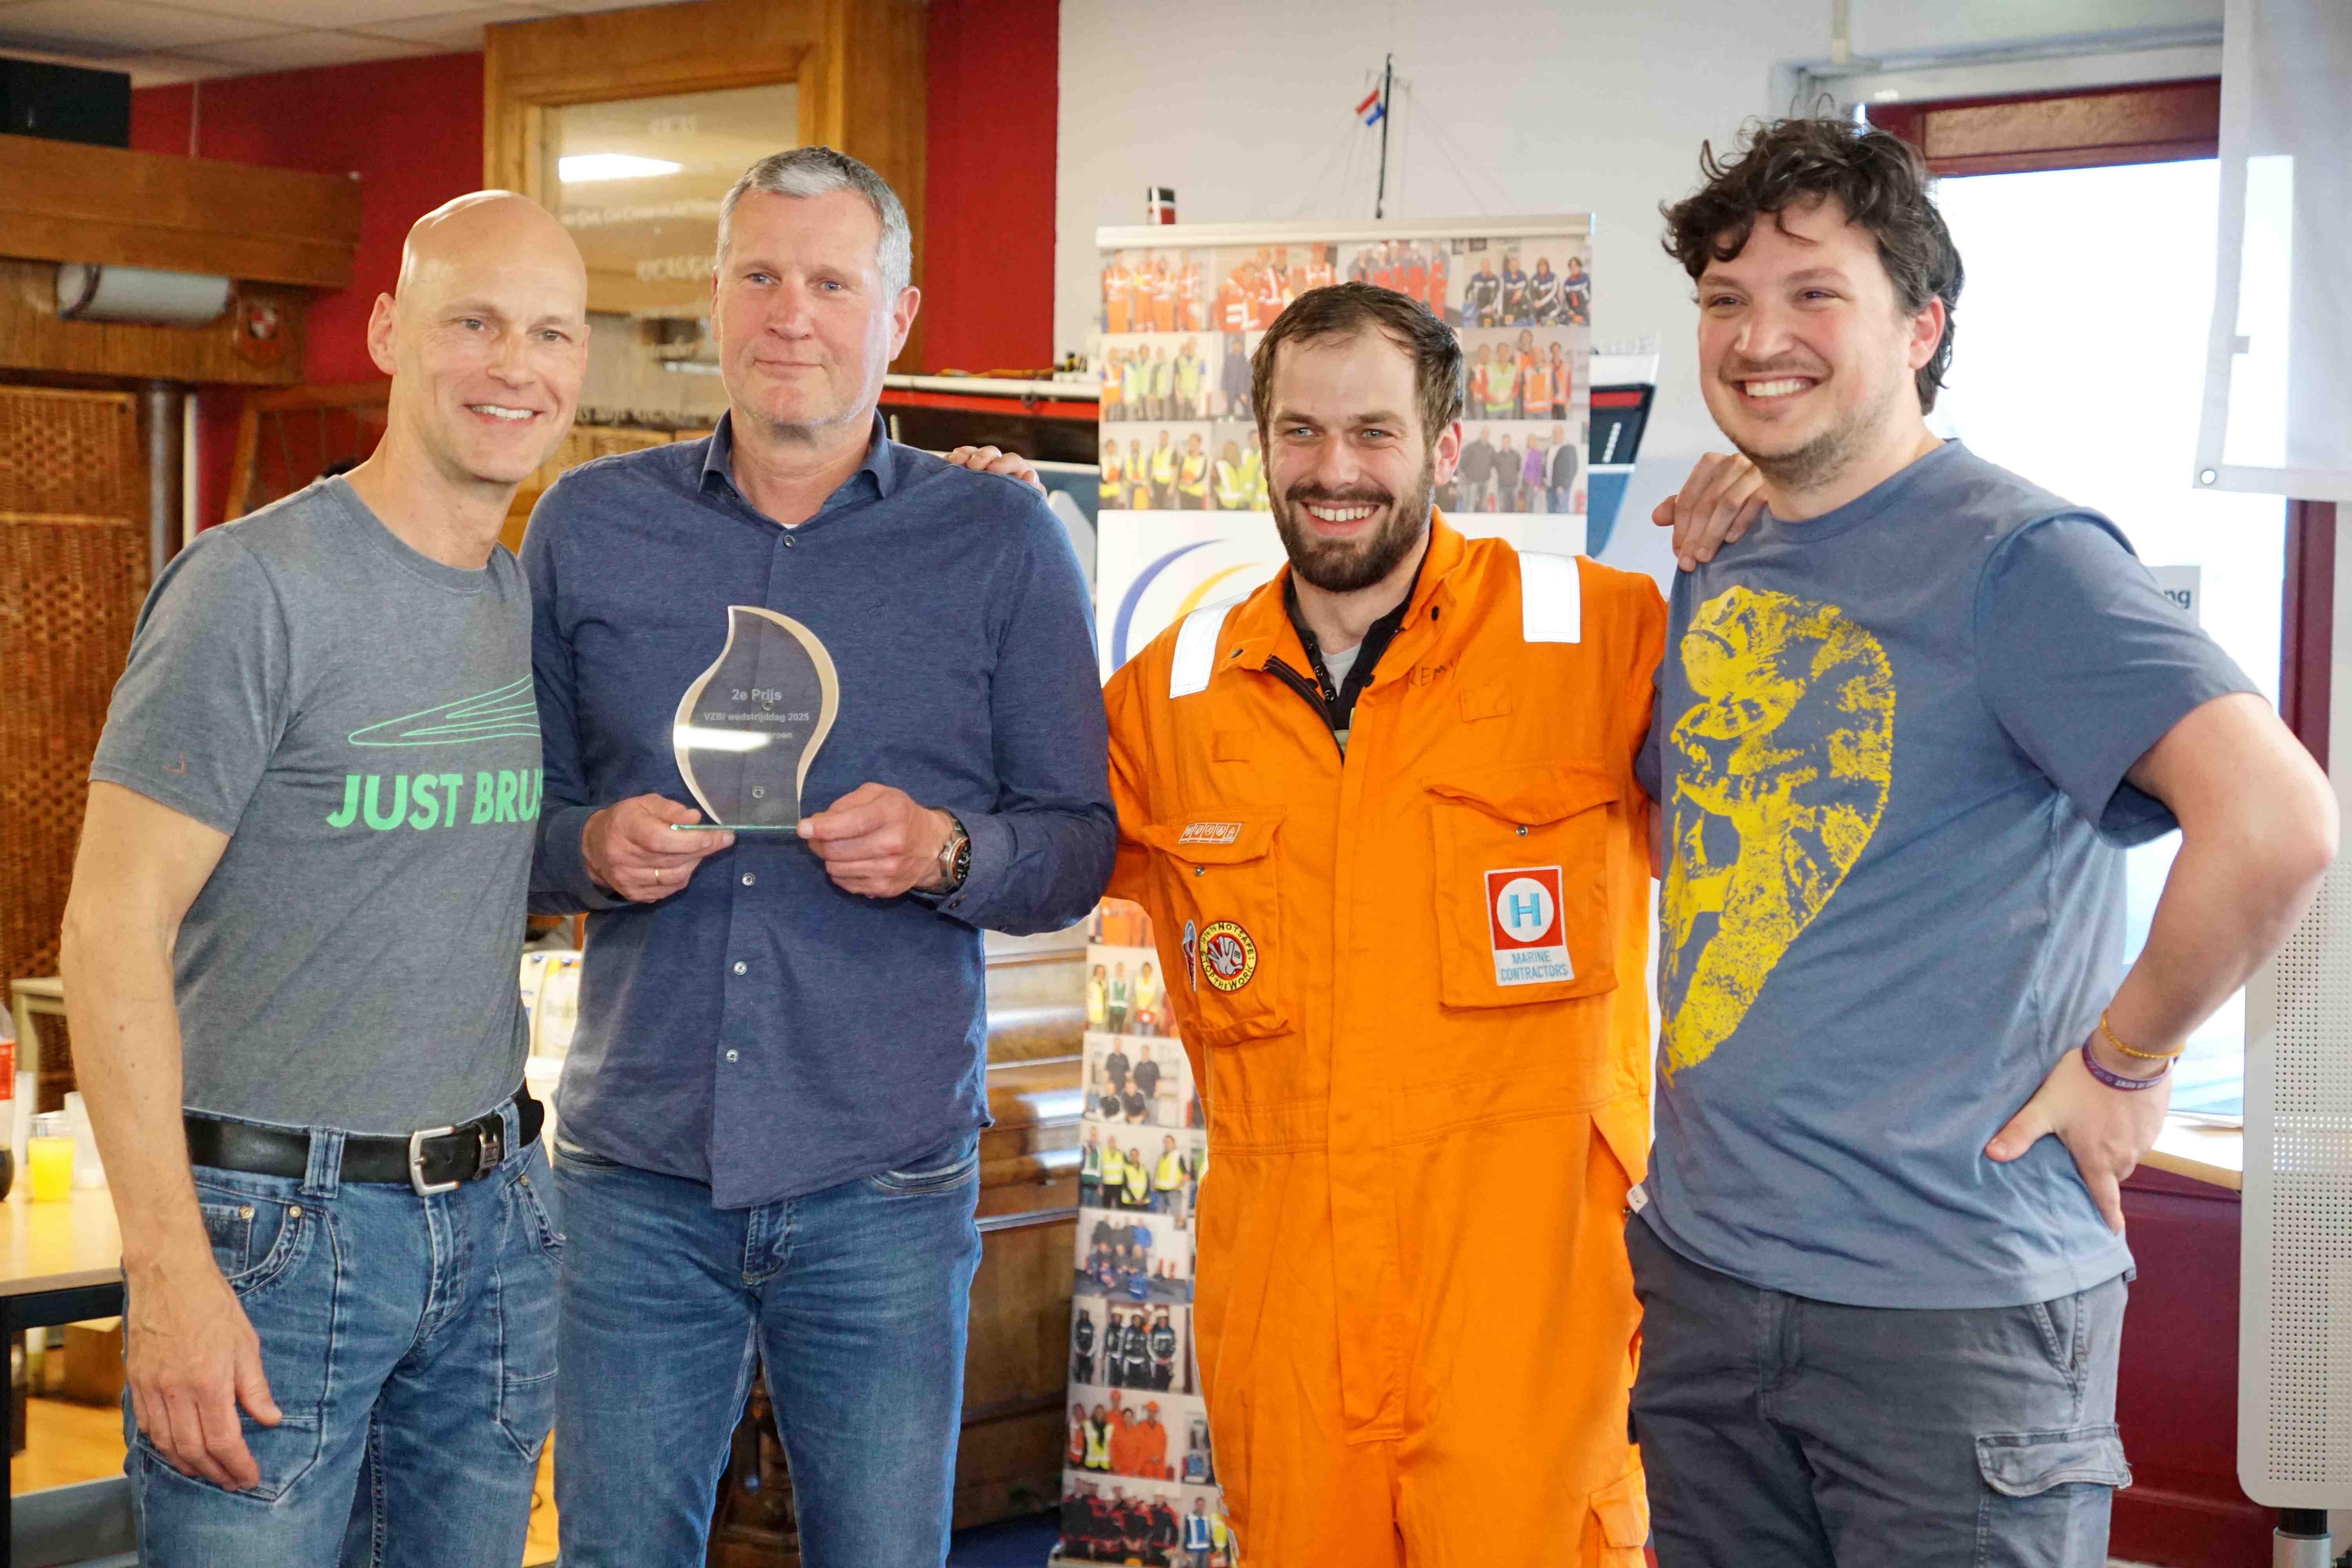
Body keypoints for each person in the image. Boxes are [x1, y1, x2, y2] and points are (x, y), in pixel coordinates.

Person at [1634, 117, 2337, 1568]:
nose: (1757, 337)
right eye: (1723, 297)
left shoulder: (2021, 558)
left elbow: (2274, 822)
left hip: (1941, 1310)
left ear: (1921, 325)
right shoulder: (1727, 545)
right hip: (1706, 1277)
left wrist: (2124, 1061)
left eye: (1813, 293)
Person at [524, 147, 1113, 1568]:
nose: (793, 313)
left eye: (832, 284)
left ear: (896, 316)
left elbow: (1078, 842)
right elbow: (507, 825)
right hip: (635, 1175)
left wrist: (946, 849)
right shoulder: (586, 526)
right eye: (762, 275)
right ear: (716, 298)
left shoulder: (998, 537)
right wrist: (586, 845)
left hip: (883, 1182)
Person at [1099, 281, 1668, 1564]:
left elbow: (1800, 811)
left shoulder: (1603, 641)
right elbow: (1017, 844)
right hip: (1289, 1323)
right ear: (1261, 446)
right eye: (1300, 432)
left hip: (1531, 1320)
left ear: (1445, 445)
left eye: (1373, 432)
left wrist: (1779, 522)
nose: (1334, 470)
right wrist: (983, 543)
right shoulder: (1168, 699)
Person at [61, 192, 585, 1563]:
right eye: (474, 323)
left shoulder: (521, 603)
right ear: (390, 332)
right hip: (272, 1240)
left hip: (495, 1223)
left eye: (549, 333)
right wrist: (168, 1270)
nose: (514, 365)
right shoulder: (252, 587)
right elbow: (110, 930)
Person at [1457, 423, 1496, 510]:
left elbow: (1494, 462)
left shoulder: (1491, 448)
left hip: (1485, 481)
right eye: (1485, 433)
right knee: (1470, 504)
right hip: (1473, 481)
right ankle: (1468, 518)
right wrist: (1467, 474)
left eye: (1488, 433)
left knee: (1483, 505)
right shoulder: (1472, 446)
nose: (1486, 435)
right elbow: (1462, 460)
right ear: (1481, 434)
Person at [1549, 422, 1579, 515]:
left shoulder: (1570, 448)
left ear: (1563, 434)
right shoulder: (1552, 448)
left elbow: (1573, 469)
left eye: (1558, 433)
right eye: (1554, 433)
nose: (1556, 435)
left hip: (1562, 487)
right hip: (1551, 486)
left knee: (1563, 510)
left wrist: (1563, 486)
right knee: (1552, 513)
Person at [1212, 439, 1251, 510]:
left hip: (1241, 506)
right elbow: (1213, 486)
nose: (1231, 452)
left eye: (1234, 450)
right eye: (1228, 450)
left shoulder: (1241, 466)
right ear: (1224, 451)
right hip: (1225, 506)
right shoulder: (1219, 465)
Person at [1463, 254, 1501, 327]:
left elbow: (1498, 294)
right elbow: (1467, 291)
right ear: (1481, 266)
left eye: (1488, 266)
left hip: (1491, 306)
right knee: (1478, 323)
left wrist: (1493, 307)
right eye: (1484, 265)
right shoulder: (1475, 278)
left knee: (1490, 324)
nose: (1486, 267)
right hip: (1478, 306)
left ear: (1490, 267)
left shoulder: (1495, 279)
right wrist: (1469, 301)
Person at [1177, 433, 1211, 510]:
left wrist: (1193, 482)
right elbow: (1180, 472)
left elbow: (1203, 475)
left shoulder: (1204, 459)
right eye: (1190, 442)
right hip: (1184, 491)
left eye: (1194, 442)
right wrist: (1181, 480)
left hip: (1196, 493)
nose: (1191, 444)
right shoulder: (1185, 457)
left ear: (1200, 443)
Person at [1175, 336, 1207, 420]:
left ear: (1196, 345)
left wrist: (1197, 397)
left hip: (1194, 396)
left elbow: (1202, 380)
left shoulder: (1201, 360)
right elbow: (1177, 378)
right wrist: (1178, 394)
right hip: (1182, 395)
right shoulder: (1180, 360)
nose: (1191, 346)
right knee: (1181, 420)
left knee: (1192, 421)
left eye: (1193, 344)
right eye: (1190, 343)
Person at [1152, 1134, 1184, 1216]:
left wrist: (1177, 1187)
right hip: (1160, 1192)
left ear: (1174, 1144)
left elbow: (1186, 1175)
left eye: (1169, 1143)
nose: (1167, 1145)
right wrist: (1154, 1184)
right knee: (1160, 1216)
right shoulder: (1161, 1157)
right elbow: (1157, 1171)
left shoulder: (1178, 1156)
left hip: (1173, 1192)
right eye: (1165, 1143)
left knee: (1175, 1216)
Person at [1149, 1307, 1178, 1391]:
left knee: (1166, 1386)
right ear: (1158, 1320)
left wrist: (1170, 1360)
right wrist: (1157, 1359)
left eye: (1164, 1319)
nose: (1163, 1321)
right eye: (1161, 1319)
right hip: (1156, 1363)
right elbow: (1150, 1347)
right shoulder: (1153, 1332)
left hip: (1168, 1363)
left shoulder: (1171, 1332)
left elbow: (1176, 1348)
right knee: (1156, 1386)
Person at [1133, 959, 1165, 1033]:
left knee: (1149, 1034)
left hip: (1150, 1012)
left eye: (1148, 970)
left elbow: (1157, 997)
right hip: (1139, 1012)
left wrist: (1149, 1006)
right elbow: (1134, 996)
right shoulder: (1138, 981)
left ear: (1151, 971)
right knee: (1137, 1034)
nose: (1146, 972)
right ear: (1142, 970)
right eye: (1145, 970)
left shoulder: (1154, 983)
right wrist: (1135, 1005)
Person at [1499, 250, 1530, 324]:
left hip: (1521, 305)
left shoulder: (1524, 276)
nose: (1514, 267)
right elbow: (1500, 294)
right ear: (1509, 266)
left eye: (1516, 266)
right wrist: (1500, 311)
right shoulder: (1504, 276)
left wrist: (1521, 292)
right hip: (1508, 306)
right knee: (1508, 324)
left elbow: (1528, 291)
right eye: (1513, 265)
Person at [1529, 254, 1561, 324]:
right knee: (1531, 306)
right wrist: (1536, 301)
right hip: (1539, 306)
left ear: (1548, 267)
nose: (1542, 268)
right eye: (1540, 266)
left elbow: (1553, 293)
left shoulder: (1554, 277)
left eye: (1544, 266)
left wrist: (1541, 303)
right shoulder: (1534, 278)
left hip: (1552, 305)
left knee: (1549, 321)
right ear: (1538, 267)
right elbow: (1532, 293)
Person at [1561, 254, 1591, 325]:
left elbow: (1588, 299)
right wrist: (1570, 311)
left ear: (1580, 267)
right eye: (1572, 266)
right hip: (1572, 313)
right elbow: (1566, 300)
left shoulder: (1586, 279)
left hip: (1585, 312)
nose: (1574, 268)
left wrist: (1579, 313)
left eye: (1576, 266)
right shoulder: (1567, 283)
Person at [1074, 1305, 1099, 1385]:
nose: (1084, 1315)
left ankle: (1088, 1383)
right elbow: (1074, 1339)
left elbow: (1095, 1340)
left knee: (1088, 1372)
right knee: (1078, 1371)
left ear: (1088, 1314)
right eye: (1083, 1313)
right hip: (1079, 1353)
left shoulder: (1091, 1326)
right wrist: (1078, 1350)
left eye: (1086, 1313)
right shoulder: (1077, 1325)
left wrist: (1090, 1352)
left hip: (1089, 1354)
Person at [1547, 339, 1572, 419]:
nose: (1556, 352)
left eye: (1557, 350)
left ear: (1560, 351)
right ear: (1551, 351)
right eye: (1554, 350)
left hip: (1562, 401)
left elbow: (1569, 385)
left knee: (1562, 422)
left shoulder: (1566, 366)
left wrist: (1568, 401)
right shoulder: (1547, 366)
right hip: (1550, 401)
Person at [1133, 1041, 1162, 1108]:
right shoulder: (1138, 1066)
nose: (1144, 1054)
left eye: (1146, 1052)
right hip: (1140, 1097)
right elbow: (1134, 1081)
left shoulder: (1154, 1065)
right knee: (1141, 1114)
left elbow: (1158, 1080)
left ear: (1149, 1052)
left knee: (1152, 1114)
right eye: (1143, 1052)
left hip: (1152, 1096)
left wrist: (1157, 1092)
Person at [1108, 962, 1134, 1034]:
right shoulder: (1112, 980)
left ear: (1123, 970)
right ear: (1116, 969)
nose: (1120, 970)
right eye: (1118, 968)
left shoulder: (1127, 981)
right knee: (1111, 1027)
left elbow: (1128, 995)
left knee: (1120, 1028)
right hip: (1113, 1007)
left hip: (1123, 1008)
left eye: (1121, 969)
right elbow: (1110, 994)